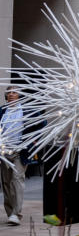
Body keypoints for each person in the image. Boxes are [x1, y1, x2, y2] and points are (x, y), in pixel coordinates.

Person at [0, 87, 26, 225]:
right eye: (9, 92)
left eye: (14, 92)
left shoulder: (27, 111)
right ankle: (11, 213)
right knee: (6, 183)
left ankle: (17, 213)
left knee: (17, 181)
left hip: (19, 152)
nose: (11, 94)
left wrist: (32, 141)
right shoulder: (2, 111)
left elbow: (41, 123)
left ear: (19, 96)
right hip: (4, 153)